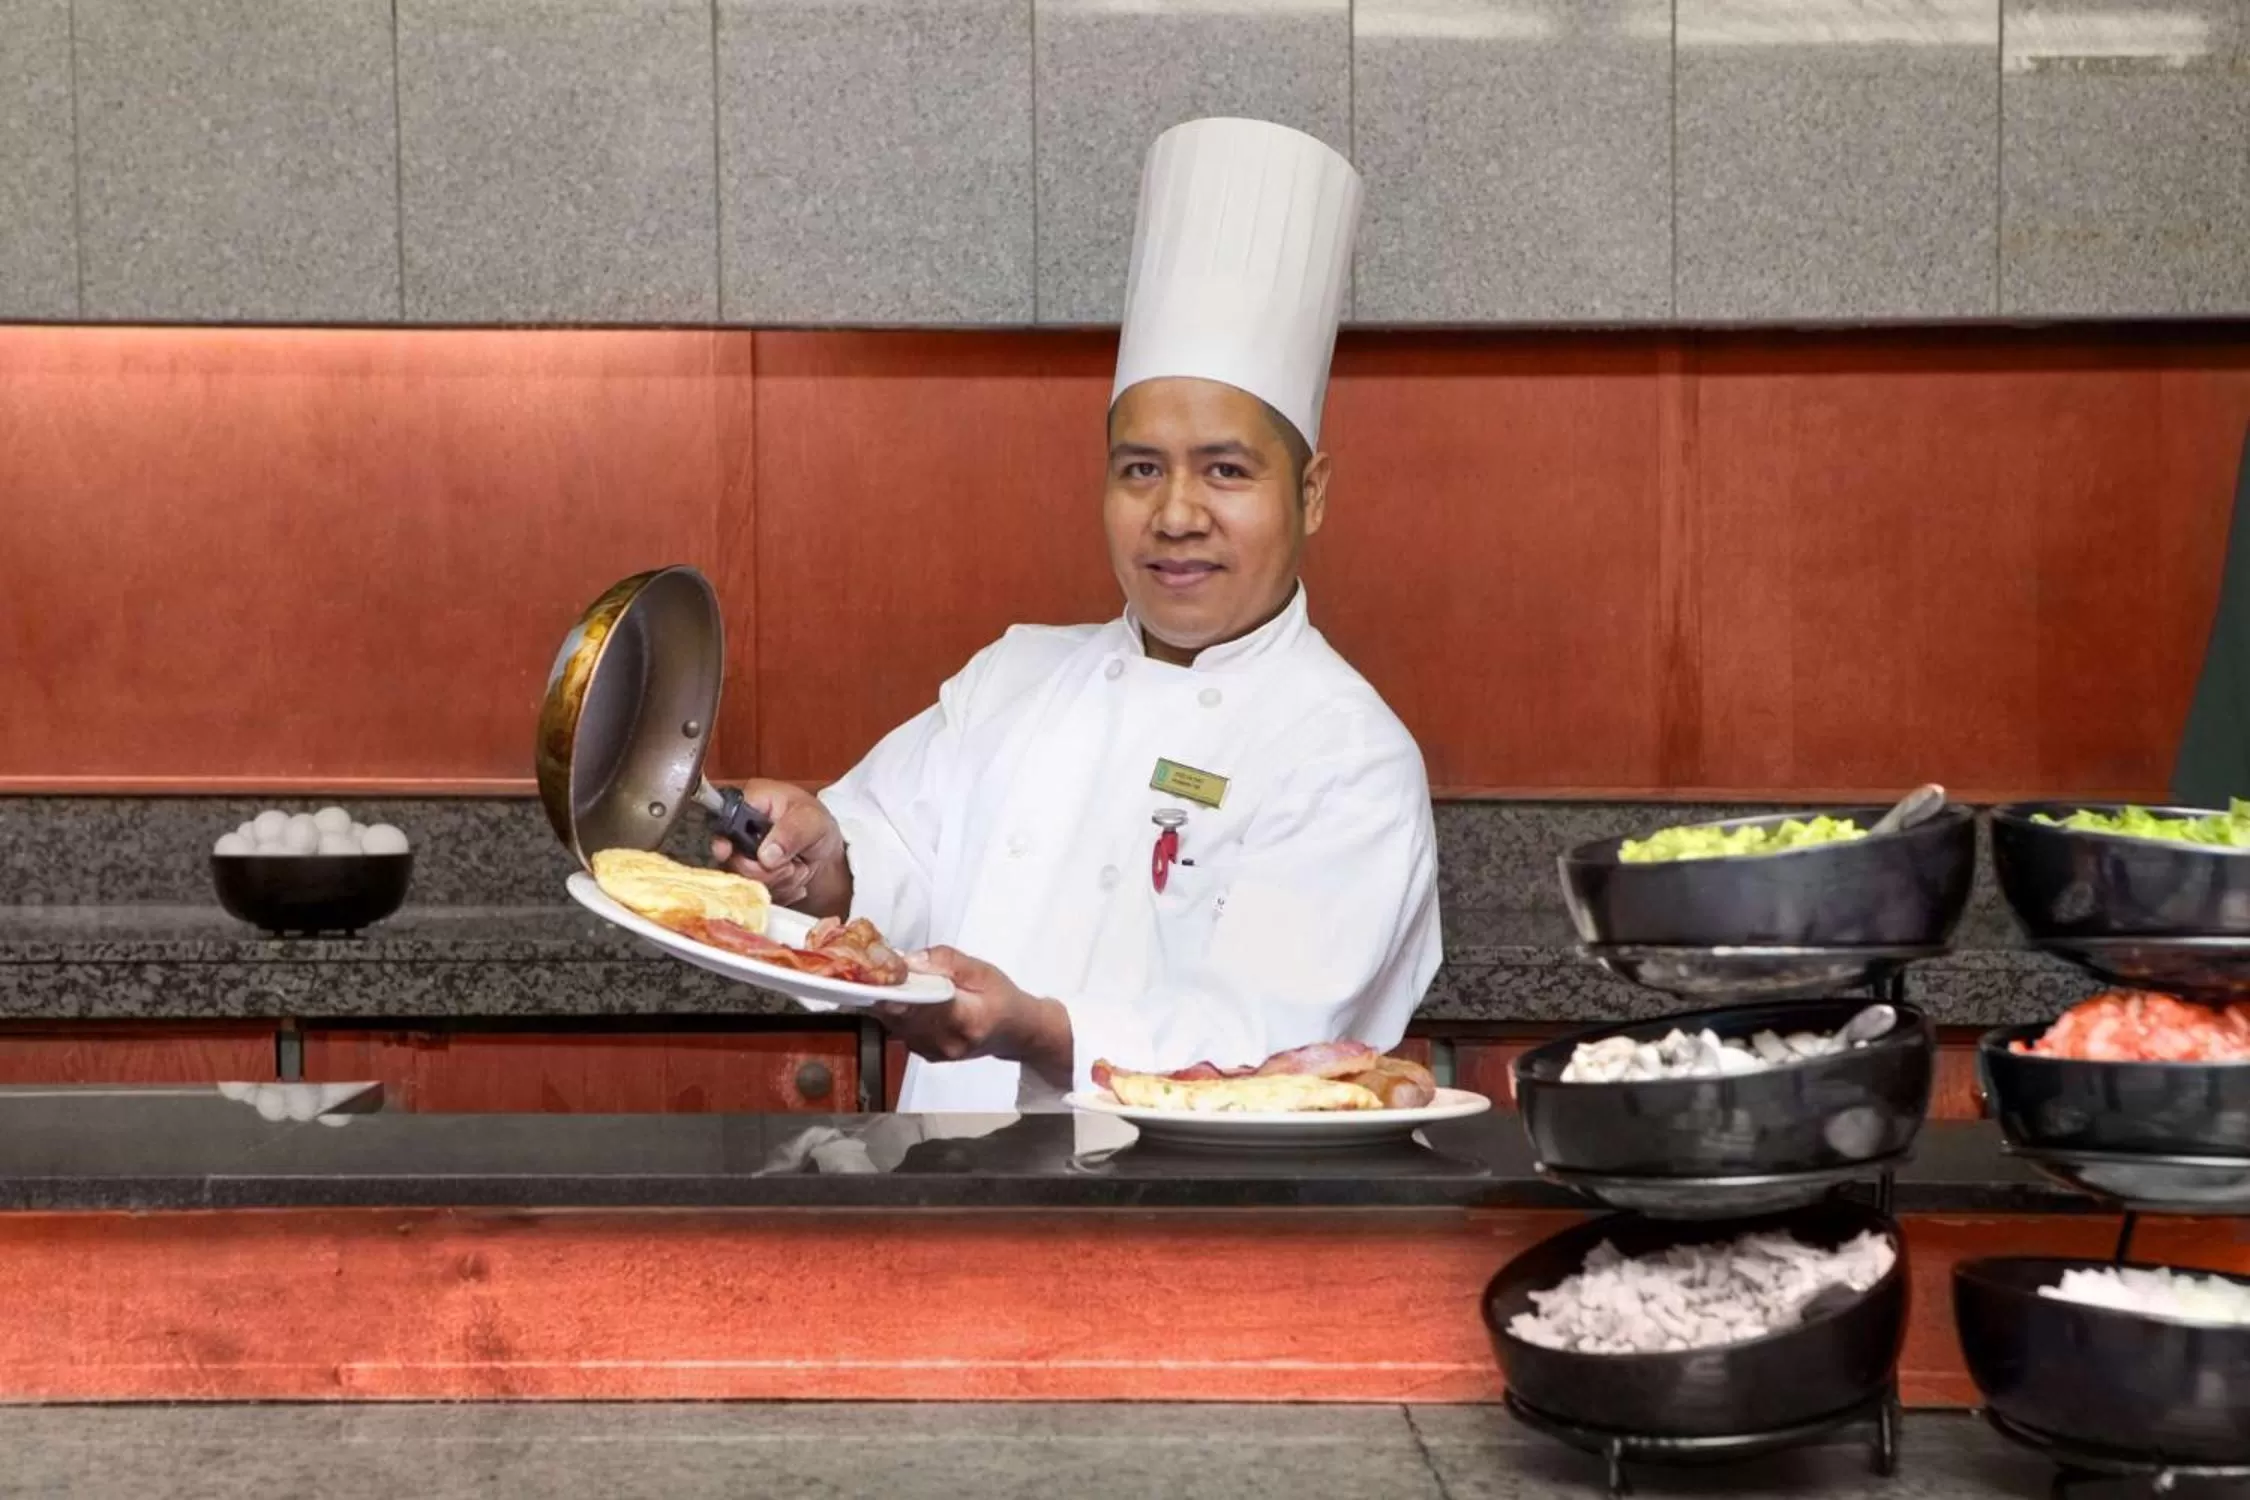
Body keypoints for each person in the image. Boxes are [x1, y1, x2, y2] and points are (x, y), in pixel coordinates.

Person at [716, 118, 1442, 1111]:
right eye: (1140, 469)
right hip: (948, 1209)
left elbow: (1263, 1043)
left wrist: (1040, 1030)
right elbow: (889, 853)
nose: (1177, 514)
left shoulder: (1347, 756)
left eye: (1226, 471)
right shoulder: (1014, 678)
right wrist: (823, 864)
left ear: (1310, 493)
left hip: (1202, 1242)